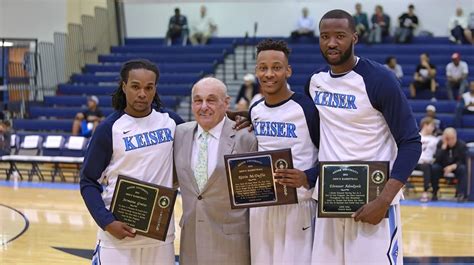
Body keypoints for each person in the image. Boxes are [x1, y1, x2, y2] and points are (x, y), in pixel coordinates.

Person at [307, 10, 421, 264]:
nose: (332, 43)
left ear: (355, 37)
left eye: (340, 36)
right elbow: (314, 136)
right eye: (325, 36)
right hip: (329, 204)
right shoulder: (315, 82)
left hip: (373, 204)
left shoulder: (379, 79)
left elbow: (411, 143)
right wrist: (250, 114)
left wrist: (384, 200)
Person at [79, 59, 184, 264]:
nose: (142, 94)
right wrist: (107, 222)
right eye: (135, 86)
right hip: (118, 234)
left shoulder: (171, 122)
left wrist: (239, 118)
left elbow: (203, 135)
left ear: (155, 89)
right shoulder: (109, 129)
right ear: (124, 86)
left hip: (160, 235)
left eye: (149, 87)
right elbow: (88, 181)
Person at [249, 39, 319, 265]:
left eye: (276, 67)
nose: (269, 74)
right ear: (256, 71)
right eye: (263, 68)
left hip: (298, 206)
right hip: (261, 206)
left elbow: (330, 154)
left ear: (288, 71)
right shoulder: (255, 110)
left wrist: (308, 176)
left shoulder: (306, 108)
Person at [174, 77, 257, 265]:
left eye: (211, 100)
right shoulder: (180, 133)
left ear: (226, 102)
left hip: (232, 245)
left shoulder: (246, 137)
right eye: (198, 100)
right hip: (191, 245)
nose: (204, 106)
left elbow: (257, 197)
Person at [432, 127, 468, 202]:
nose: (450, 141)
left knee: (463, 169)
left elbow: (463, 160)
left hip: (455, 167)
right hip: (443, 167)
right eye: (448, 138)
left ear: (455, 137)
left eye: (452, 138)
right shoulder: (441, 144)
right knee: (434, 168)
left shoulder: (462, 145)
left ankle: (461, 194)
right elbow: (436, 160)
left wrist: (453, 166)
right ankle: (435, 192)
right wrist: (443, 148)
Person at [416, 118, 439, 203]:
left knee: (427, 167)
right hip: (415, 163)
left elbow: (437, 154)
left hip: (427, 163)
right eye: (432, 126)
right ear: (425, 125)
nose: (433, 128)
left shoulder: (435, 140)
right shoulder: (416, 136)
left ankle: (425, 192)